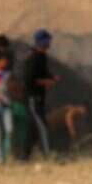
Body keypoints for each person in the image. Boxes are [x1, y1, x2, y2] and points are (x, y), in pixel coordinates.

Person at [22, 28, 58, 160]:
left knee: (33, 129)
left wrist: (52, 77)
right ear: (40, 42)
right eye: (46, 41)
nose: (48, 43)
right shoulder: (32, 58)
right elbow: (29, 80)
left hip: (40, 97)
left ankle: (25, 156)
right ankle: (47, 155)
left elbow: (43, 73)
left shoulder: (42, 57)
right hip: (32, 97)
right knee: (42, 126)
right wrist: (46, 82)